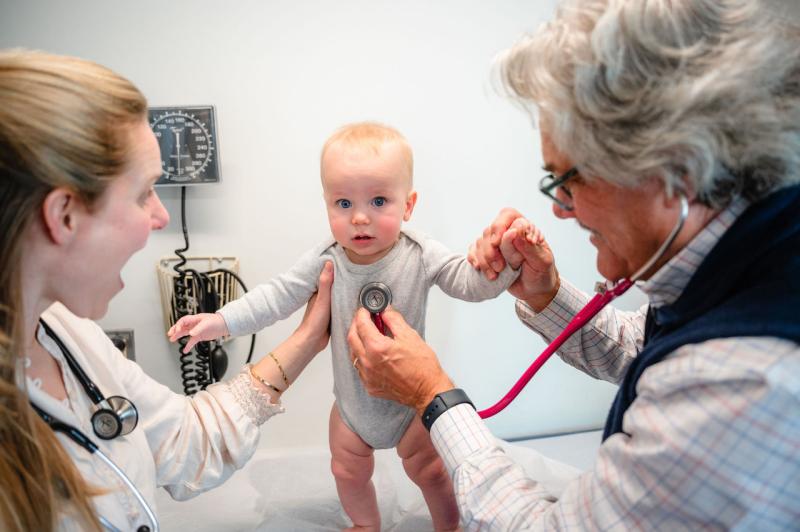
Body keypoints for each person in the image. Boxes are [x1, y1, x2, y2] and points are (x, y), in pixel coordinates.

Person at [347, 0, 800, 529]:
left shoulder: (744, 381)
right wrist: (546, 294)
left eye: (569, 180)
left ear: (674, 169)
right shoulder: (752, 264)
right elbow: (645, 350)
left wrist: (432, 395)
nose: (560, 208)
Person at [0, 49, 334, 532]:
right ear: (64, 215)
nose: (160, 216)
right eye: (143, 193)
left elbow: (184, 440)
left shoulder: (68, 332)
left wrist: (308, 338)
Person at [168, 122, 519, 530]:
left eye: (379, 201)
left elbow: (468, 283)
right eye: (344, 203)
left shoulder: (420, 253)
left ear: (408, 205)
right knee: (346, 470)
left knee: (430, 471)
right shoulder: (326, 258)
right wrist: (221, 320)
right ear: (327, 205)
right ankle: (366, 523)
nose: (360, 218)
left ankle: (450, 526)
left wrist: (505, 263)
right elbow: (276, 296)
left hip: (411, 402)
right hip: (353, 408)